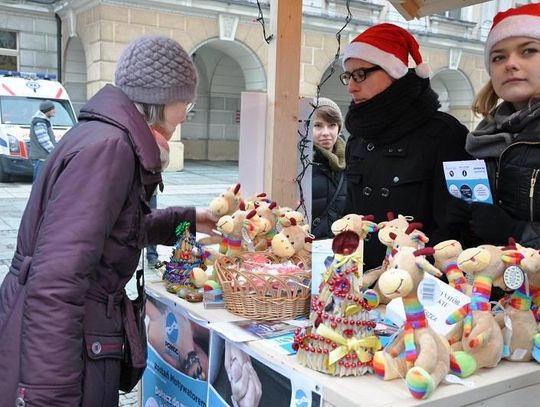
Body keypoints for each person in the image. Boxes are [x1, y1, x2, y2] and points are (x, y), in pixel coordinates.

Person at [0, 35, 217, 406]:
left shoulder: (108, 137)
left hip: (80, 339)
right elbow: (57, 280)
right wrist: (50, 395)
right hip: (67, 353)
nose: (185, 114)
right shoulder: (110, 149)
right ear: (164, 100)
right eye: (187, 103)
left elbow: (121, 230)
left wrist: (188, 222)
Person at [341, 23, 470, 271]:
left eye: (360, 74)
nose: (351, 86)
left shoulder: (444, 134)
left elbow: (459, 225)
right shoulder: (358, 138)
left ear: (394, 71)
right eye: (348, 76)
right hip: (359, 282)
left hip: (418, 285)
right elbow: (349, 212)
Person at [447, 3, 540, 250]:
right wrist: (462, 225)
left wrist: (517, 232)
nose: (510, 64)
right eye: (498, 57)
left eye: (528, 51)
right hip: (485, 283)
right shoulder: (484, 136)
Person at [311, 97, 347, 239]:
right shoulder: (301, 164)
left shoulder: (351, 161)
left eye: (332, 125)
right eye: (318, 125)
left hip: (341, 250)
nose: (326, 132)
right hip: (305, 248)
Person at [28, 99, 56, 181]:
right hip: (41, 158)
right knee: (38, 183)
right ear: (47, 110)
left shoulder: (43, 121)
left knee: (40, 183)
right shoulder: (40, 122)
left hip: (42, 158)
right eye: (53, 109)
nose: (55, 111)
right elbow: (44, 141)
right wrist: (55, 152)